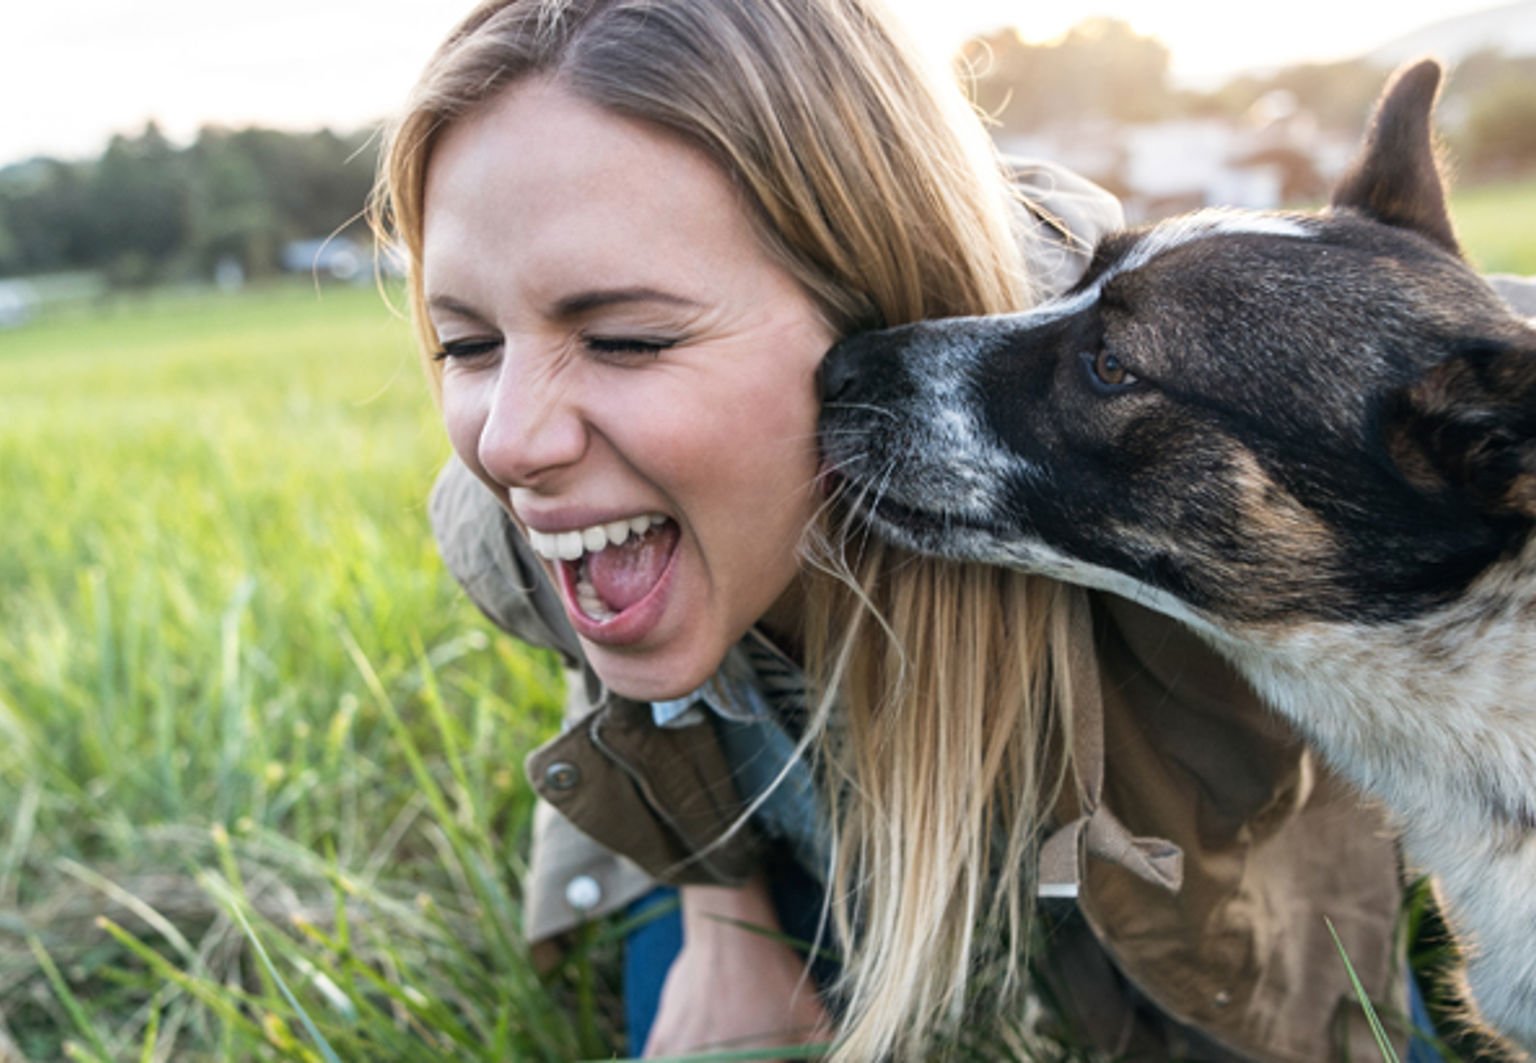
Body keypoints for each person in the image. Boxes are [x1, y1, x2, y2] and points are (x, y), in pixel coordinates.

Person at [367, 1, 1486, 1058]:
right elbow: (630, 684)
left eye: (624, 339)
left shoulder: (1134, 442)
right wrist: (722, 919)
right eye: (467, 344)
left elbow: (1438, 371)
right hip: (803, 859)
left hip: (1179, 892)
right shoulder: (524, 521)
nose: (509, 444)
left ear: (869, 293)